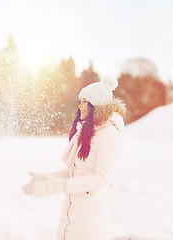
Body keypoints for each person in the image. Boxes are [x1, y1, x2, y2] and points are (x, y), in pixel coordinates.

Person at [23, 77, 126, 240]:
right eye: (81, 101)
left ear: (96, 104)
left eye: (85, 102)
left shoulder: (109, 134)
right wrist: (46, 179)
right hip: (71, 215)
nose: (80, 106)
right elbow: (74, 171)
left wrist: (57, 186)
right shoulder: (89, 131)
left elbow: (100, 178)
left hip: (89, 220)